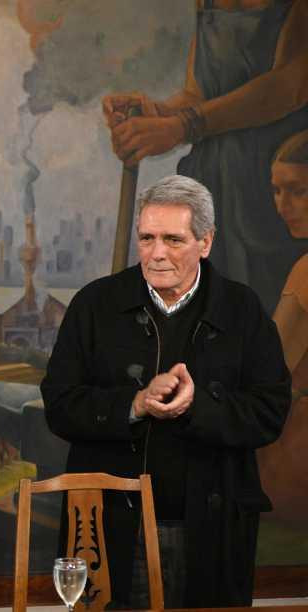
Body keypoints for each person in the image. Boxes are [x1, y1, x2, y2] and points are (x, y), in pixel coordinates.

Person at [41, 175, 290, 607]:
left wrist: (199, 406)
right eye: (147, 238)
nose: (156, 254)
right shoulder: (94, 305)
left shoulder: (242, 309)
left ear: (205, 242)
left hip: (211, 527)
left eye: (173, 240)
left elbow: (270, 411)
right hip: (114, 527)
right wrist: (134, 404)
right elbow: (59, 405)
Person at [102, 0, 308, 314]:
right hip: (211, 188)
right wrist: (160, 115)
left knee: (265, 320)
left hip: (270, 189)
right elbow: (200, 94)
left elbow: (289, 85)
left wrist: (182, 125)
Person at [258, 129, 308, 524]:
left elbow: (267, 373)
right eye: (276, 191)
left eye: (297, 191)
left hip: (296, 462)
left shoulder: (306, 271)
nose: (281, 205)